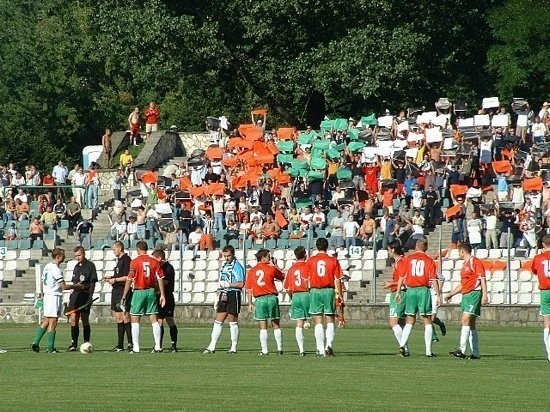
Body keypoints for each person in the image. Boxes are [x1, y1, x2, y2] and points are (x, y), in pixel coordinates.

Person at [31, 248, 83, 353]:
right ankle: (50, 347)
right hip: (54, 296)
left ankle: (35, 343)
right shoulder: (56, 269)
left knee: (46, 320)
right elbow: (63, 286)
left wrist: (42, 294)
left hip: (47, 295)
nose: (64, 258)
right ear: (58, 257)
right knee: (53, 321)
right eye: (63, 256)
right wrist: (76, 286)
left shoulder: (47, 267)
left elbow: (42, 282)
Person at [395, 238, 440, 357]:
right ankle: (428, 352)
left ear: (416, 246)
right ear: (426, 248)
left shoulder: (408, 259)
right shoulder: (429, 260)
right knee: (427, 320)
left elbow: (401, 277)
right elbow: (434, 279)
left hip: (410, 290)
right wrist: (438, 295)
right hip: (423, 290)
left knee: (410, 319)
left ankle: (402, 345)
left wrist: (398, 292)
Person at [121, 240, 166, 353]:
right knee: (154, 319)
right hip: (151, 291)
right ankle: (157, 346)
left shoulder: (135, 262)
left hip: (139, 291)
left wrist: (124, 295)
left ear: (138, 250)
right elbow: (160, 278)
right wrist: (162, 295)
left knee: (135, 319)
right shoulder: (154, 261)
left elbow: (129, 279)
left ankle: (136, 347)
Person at [446, 242, 488, 359]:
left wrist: (485, 294)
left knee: (464, 320)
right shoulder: (465, 265)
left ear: (462, 251)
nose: (459, 254)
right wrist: (451, 294)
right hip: (466, 295)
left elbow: (482, 278)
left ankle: (461, 349)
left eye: (459, 252)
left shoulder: (475, 262)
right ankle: (475, 353)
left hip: (474, 294)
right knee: (471, 324)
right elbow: (463, 284)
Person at [203, 245, 245, 354]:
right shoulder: (224, 265)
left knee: (232, 322)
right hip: (223, 293)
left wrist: (229, 284)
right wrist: (218, 295)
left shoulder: (238, 267)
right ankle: (212, 346)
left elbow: (241, 283)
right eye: (224, 256)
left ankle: (233, 347)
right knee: (218, 321)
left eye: (228, 256)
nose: (226, 258)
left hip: (233, 293)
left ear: (233, 255)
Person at [307, 237, 343, 356]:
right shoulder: (333, 260)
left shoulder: (311, 260)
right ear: (327, 247)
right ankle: (329, 345)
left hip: (315, 290)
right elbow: (337, 279)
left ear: (317, 247)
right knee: (330, 318)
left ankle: (320, 349)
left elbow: (306, 278)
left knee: (318, 320)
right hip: (329, 290)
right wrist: (340, 294)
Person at [246, 249, 285, 355]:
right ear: (263, 258)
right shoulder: (271, 268)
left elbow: (249, 290)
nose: (270, 258)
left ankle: (264, 350)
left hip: (260, 300)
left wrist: (250, 303)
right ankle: (279, 348)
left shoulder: (252, 271)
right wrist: (275, 264)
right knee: (276, 324)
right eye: (268, 256)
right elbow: (282, 276)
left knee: (263, 325)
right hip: (272, 298)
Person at [103, 241, 132, 352]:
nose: (113, 251)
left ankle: (130, 343)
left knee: (125, 316)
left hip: (123, 291)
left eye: (114, 249)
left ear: (120, 248)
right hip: (116, 291)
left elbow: (128, 277)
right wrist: (110, 277)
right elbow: (119, 275)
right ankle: (120, 345)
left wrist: (115, 280)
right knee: (119, 317)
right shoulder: (119, 261)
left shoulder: (126, 260)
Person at [383, 240, 409, 356]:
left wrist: (391, 284)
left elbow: (403, 279)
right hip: (400, 292)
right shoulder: (399, 261)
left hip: (400, 293)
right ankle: (405, 349)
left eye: (389, 249)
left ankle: (403, 347)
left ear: (393, 249)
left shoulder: (401, 261)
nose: (388, 252)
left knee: (393, 322)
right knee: (401, 322)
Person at [283, 246, 310, 356]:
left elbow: (286, 288)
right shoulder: (308, 266)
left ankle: (301, 350)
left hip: (296, 296)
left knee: (299, 323)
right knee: (317, 319)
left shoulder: (291, 269)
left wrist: (292, 297)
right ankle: (320, 349)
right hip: (307, 294)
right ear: (305, 255)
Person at [152, 249, 179, 353]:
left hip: (167, 297)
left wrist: (151, 285)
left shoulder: (168, 268)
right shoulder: (157, 268)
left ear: (159, 258)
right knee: (159, 320)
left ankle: (174, 345)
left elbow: (164, 282)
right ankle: (159, 345)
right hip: (158, 296)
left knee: (169, 320)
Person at [530, 234, 550, 362]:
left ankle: (549, 353)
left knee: (547, 323)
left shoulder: (538, 258)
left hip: (545, 292)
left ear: (543, 244)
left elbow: (535, 271)